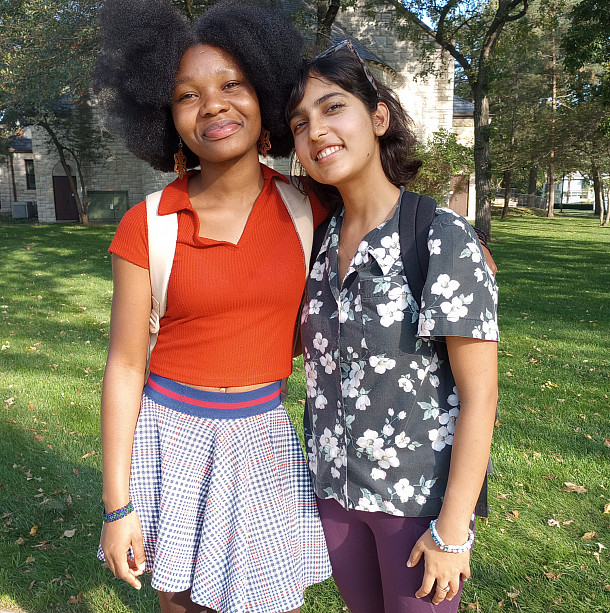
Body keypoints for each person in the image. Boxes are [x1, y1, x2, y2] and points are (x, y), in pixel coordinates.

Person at [93, 2, 332, 612]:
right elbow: (124, 365)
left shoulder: (312, 213)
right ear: (166, 118)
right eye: (187, 95)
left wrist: (451, 243)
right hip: (170, 442)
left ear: (265, 96)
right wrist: (117, 507)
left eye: (233, 84)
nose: (214, 105)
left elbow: (389, 226)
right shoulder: (147, 225)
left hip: (264, 440)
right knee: (183, 604)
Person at [286, 41, 499, 613]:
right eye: (300, 123)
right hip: (334, 495)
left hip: (417, 506)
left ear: (378, 117)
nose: (317, 131)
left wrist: (452, 531)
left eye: (333, 108)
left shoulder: (441, 238)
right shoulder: (316, 243)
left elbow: (480, 396)